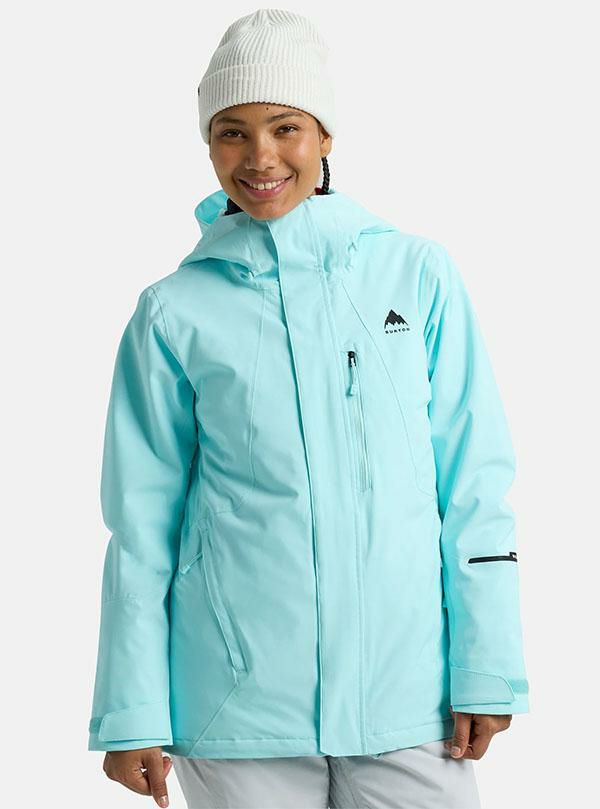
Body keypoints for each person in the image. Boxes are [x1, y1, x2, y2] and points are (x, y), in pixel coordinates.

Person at [87, 8, 530, 809]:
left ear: (325, 135)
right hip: (236, 707)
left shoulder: (417, 275)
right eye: (232, 132)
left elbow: (474, 483)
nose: (260, 157)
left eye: (285, 127)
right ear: (209, 145)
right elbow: (141, 526)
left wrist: (487, 665)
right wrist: (131, 710)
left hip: (411, 696)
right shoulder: (172, 312)